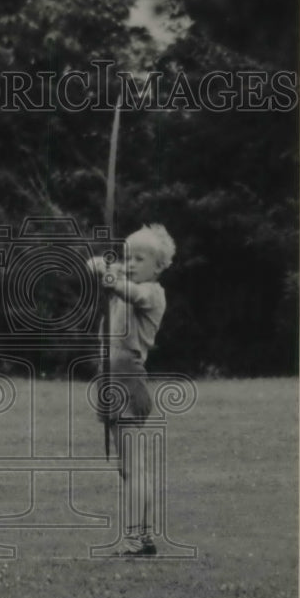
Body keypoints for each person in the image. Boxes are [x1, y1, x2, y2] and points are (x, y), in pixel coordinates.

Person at [87, 223, 176, 556]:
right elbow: (97, 270)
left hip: (127, 377)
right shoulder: (122, 284)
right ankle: (145, 536)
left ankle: (134, 540)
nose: (133, 263)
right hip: (109, 378)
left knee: (134, 466)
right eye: (128, 257)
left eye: (140, 258)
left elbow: (131, 292)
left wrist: (110, 276)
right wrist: (103, 268)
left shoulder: (152, 293)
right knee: (126, 467)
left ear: (158, 266)